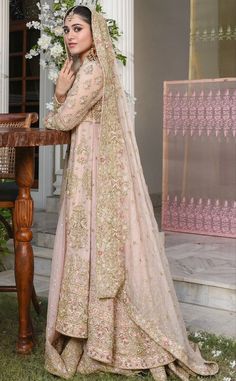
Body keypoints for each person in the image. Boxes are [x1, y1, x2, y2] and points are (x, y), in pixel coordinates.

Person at [44, 5, 219, 381]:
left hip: (94, 173)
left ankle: (99, 333)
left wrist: (58, 95)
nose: (70, 35)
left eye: (77, 28)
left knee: (94, 245)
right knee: (93, 245)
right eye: (65, 30)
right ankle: (92, 328)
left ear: (95, 33)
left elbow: (64, 120)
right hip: (92, 170)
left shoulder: (91, 71)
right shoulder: (95, 68)